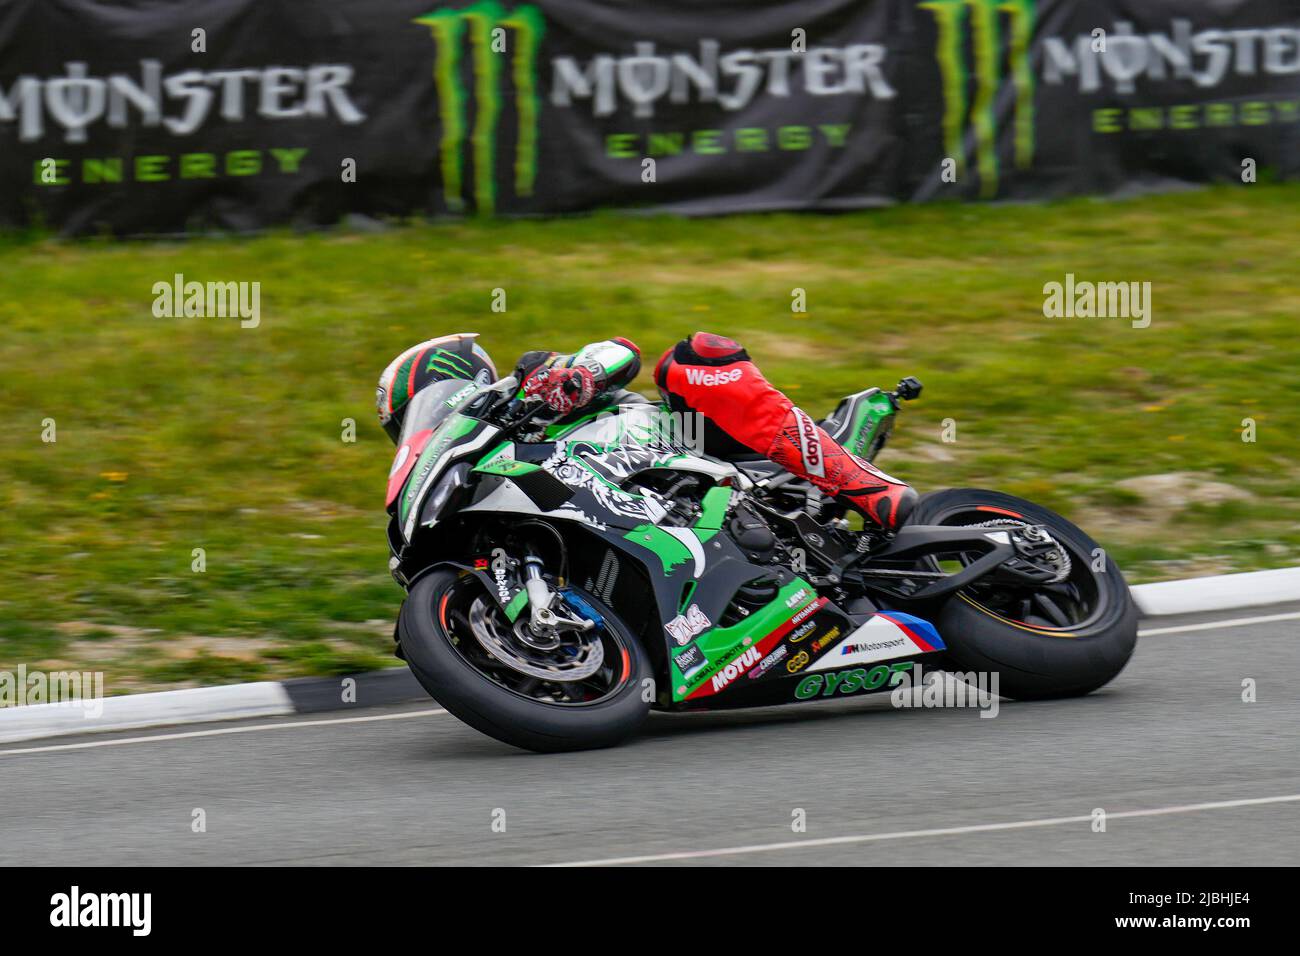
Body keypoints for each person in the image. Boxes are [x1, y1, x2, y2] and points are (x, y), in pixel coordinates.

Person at [377, 331, 916, 529]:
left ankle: (868, 487)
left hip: (684, 444)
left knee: (694, 359)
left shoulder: (527, 386)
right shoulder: (482, 475)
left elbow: (619, 351)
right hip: (637, 513)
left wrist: (578, 375)